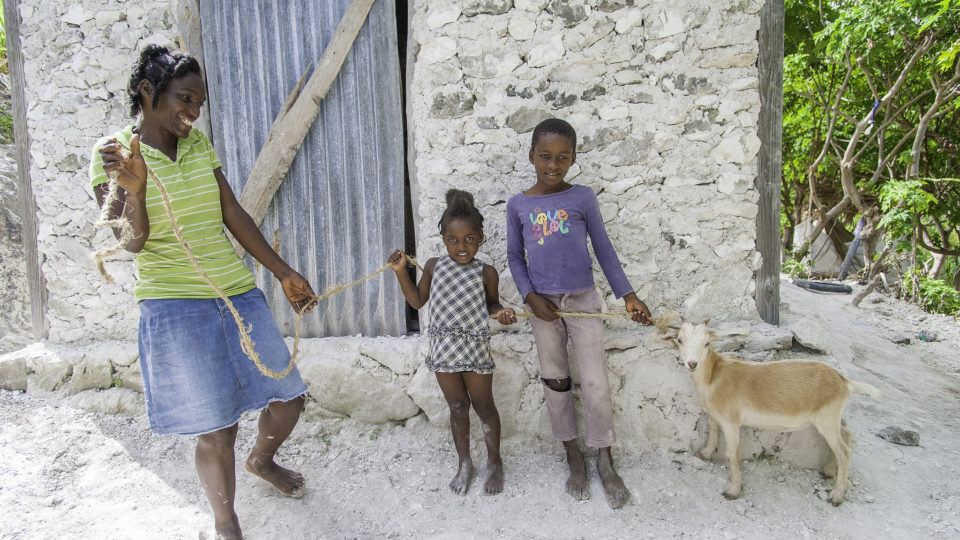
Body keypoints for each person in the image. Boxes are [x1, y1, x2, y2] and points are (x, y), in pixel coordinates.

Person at [90, 45, 316, 540]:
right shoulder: (113, 154)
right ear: (148, 92)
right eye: (185, 100)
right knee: (218, 426)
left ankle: (262, 460)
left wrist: (281, 271)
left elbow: (230, 210)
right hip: (174, 305)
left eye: (199, 105)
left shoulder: (196, 144)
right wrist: (135, 187)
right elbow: (133, 241)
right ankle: (226, 522)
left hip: (234, 292)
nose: (193, 113)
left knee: (289, 398)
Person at [506, 118, 653, 509]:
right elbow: (514, 256)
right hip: (543, 308)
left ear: (573, 158)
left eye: (562, 158)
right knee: (556, 380)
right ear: (531, 156)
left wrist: (628, 296)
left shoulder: (582, 198)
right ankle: (573, 456)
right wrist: (529, 296)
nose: (552, 165)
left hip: (584, 302)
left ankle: (604, 458)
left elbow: (603, 248)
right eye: (544, 157)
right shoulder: (518, 204)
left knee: (595, 383)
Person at [388, 189, 517, 495]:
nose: (462, 247)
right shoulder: (433, 266)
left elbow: (492, 306)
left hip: (474, 349)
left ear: (481, 238)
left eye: (469, 239)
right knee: (457, 406)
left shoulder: (487, 273)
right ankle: (464, 463)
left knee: (484, 407)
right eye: (453, 240)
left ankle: (495, 463)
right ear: (444, 239)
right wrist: (400, 273)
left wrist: (503, 313)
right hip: (444, 351)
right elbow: (418, 301)